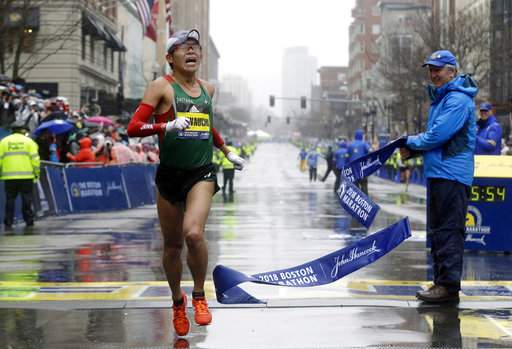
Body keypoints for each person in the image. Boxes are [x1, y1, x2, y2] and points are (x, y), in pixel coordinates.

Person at [126, 29, 245, 337]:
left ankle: (199, 295)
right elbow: (133, 128)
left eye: (195, 47)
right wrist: (165, 125)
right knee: (172, 246)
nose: (192, 51)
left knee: (193, 234)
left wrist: (227, 150)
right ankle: (177, 301)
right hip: (170, 175)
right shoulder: (160, 87)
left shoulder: (208, 88)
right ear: (170, 58)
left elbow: (206, 125)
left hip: (201, 173)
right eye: (183, 48)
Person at [399, 50, 478, 303]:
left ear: (452, 71)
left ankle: (447, 287)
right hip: (440, 173)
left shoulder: (457, 100)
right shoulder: (443, 99)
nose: (433, 74)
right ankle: (441, 283)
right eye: (431, 69)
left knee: (448, 231)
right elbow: (438, 139)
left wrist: (407, 142)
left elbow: (437, 135)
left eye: (438, 69)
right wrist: (413, 151)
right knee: (438, 232)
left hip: (452, 175)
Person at [0, 120, 40, 229]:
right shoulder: (29, 142)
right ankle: (29, 220)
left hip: (9, 177)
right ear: (23, 130)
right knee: (27, 200)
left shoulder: (3, 142)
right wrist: (36, 174)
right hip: (26, 176)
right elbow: (35, 160)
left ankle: (8, 222)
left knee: (10, 200)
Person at [347, 129, 371, 194]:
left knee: (355, 185)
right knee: (364, 185)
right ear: (361, 136)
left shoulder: (350, 145)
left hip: (353, 168)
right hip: (362, 168)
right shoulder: (364, 144)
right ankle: (365, 200)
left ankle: (356, 200)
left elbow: (347, 155)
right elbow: (370, 152)